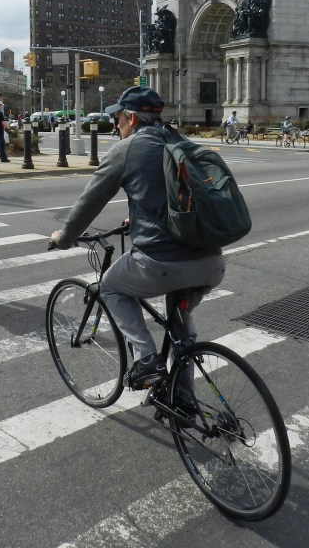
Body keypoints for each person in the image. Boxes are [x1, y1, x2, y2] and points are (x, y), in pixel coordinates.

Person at [49, 86, 225, 417]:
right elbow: (176, 197)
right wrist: (142, 215)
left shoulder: (127, 149)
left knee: (111, 287)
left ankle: (146, 360)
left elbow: (88, 203)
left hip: (164, 262)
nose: (116, 125)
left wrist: (64, 237)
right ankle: (183, 402)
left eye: (117, 118)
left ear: (131, 118)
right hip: (211, 262)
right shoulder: (179, 142)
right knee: (180, 329)